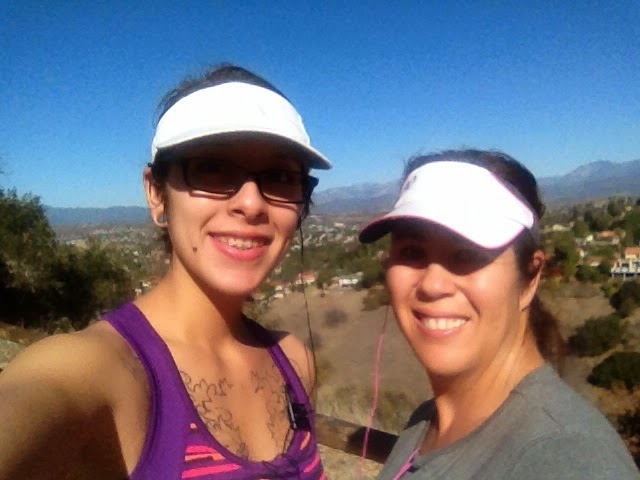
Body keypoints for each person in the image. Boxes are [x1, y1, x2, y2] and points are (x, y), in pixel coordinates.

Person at [0, 64, 330, 479]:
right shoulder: (100, 370)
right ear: (157, 193)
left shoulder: (294, 362)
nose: (251, 204)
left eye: (281, 177)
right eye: (212, 168)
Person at [359, 149, 639, 479]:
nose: (433, 285)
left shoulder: (563, 457)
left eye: (467, 254)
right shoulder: (426, 421)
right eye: (412, 252)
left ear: (530, 278)